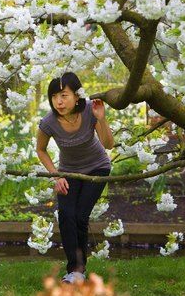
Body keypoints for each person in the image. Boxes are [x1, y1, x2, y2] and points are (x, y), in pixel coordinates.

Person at [36, 72, 115, 284]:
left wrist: (102, 119)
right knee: (66, 215)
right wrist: (56, 176)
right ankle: (76, 271)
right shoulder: (48, 122)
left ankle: (78, 269)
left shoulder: (90, 110)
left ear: (77, 96)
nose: (58, 102)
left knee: (80, 216)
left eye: (64, 95)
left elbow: (108, 144)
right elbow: (41, 150)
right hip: (68, 172)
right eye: (54, 97)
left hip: (97, 168)